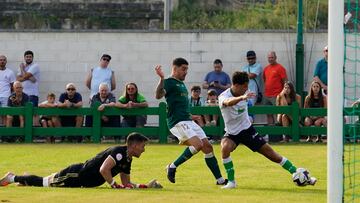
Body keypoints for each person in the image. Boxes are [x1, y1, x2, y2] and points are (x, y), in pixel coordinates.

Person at [218, 71, 316, 189]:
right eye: (245, 86)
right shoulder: (223, 96)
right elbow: (228, 103)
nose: (247, 89)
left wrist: (243, 98)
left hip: (247, 130)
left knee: (272, 155)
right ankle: (231, 182)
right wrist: (242, 98)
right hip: (232, 133)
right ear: (236, 85)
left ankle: (300, 174)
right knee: (225, 148)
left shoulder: (245, 93)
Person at [155, 57, 227, 185]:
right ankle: (172, 166)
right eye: (183, 69)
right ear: (175, 68)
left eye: (187, 69)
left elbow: (181, 104)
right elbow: (158, 95)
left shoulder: (181, 84)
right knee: (198, 145)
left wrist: (190, 115)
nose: (186, 72)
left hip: (187, 121)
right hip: (177, 122)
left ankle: (220, 180)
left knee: (208, 147)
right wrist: (161, 79)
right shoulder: (169, 82)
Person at [0, 132, 162, 189]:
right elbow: (103, 170)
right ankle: (12, 177)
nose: (143, 149)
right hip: (76, 175)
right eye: (142, 146)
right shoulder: (119, 152)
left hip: (83, 180)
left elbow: (126, 183)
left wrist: (146, 185)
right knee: (44, 183)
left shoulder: (127, 159)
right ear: (133, 145)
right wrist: (114, 185)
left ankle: (26, 178)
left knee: (45, 181)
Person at [16, 50, 40, 126]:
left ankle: (34, 134)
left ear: (32, 58)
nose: (28, 58)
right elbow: (18, 79)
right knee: (23, 114)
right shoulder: (22, 67)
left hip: (33, 94)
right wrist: (29, 77)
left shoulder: (35, 66)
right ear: (24, 58)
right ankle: (24, 134)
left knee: (33, 114)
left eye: (30, 57)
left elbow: (25, 77)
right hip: (23, 94)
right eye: (27, 57)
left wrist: (23, 69)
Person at [263, 51, 288, 125]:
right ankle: (271, 132)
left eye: (272, 57)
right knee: (268, 113)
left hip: (276, 95)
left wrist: (282, 94)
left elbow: (285, 82)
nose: (270, 59)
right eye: (269, 58)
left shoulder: (280, 68)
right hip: (267, 95)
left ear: (275, 58)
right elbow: (265, 80)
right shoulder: (266, 68)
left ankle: (279, 133)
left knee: (278, 114)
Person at [0, 55, 16, 126]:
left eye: (3, 60)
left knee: (5, 114)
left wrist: (12, 96)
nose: (2, 61)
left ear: (6, 61)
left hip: (6, 96)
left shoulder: (10, 72)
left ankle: (5, 134)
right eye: (0, 60)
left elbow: (13, 86)